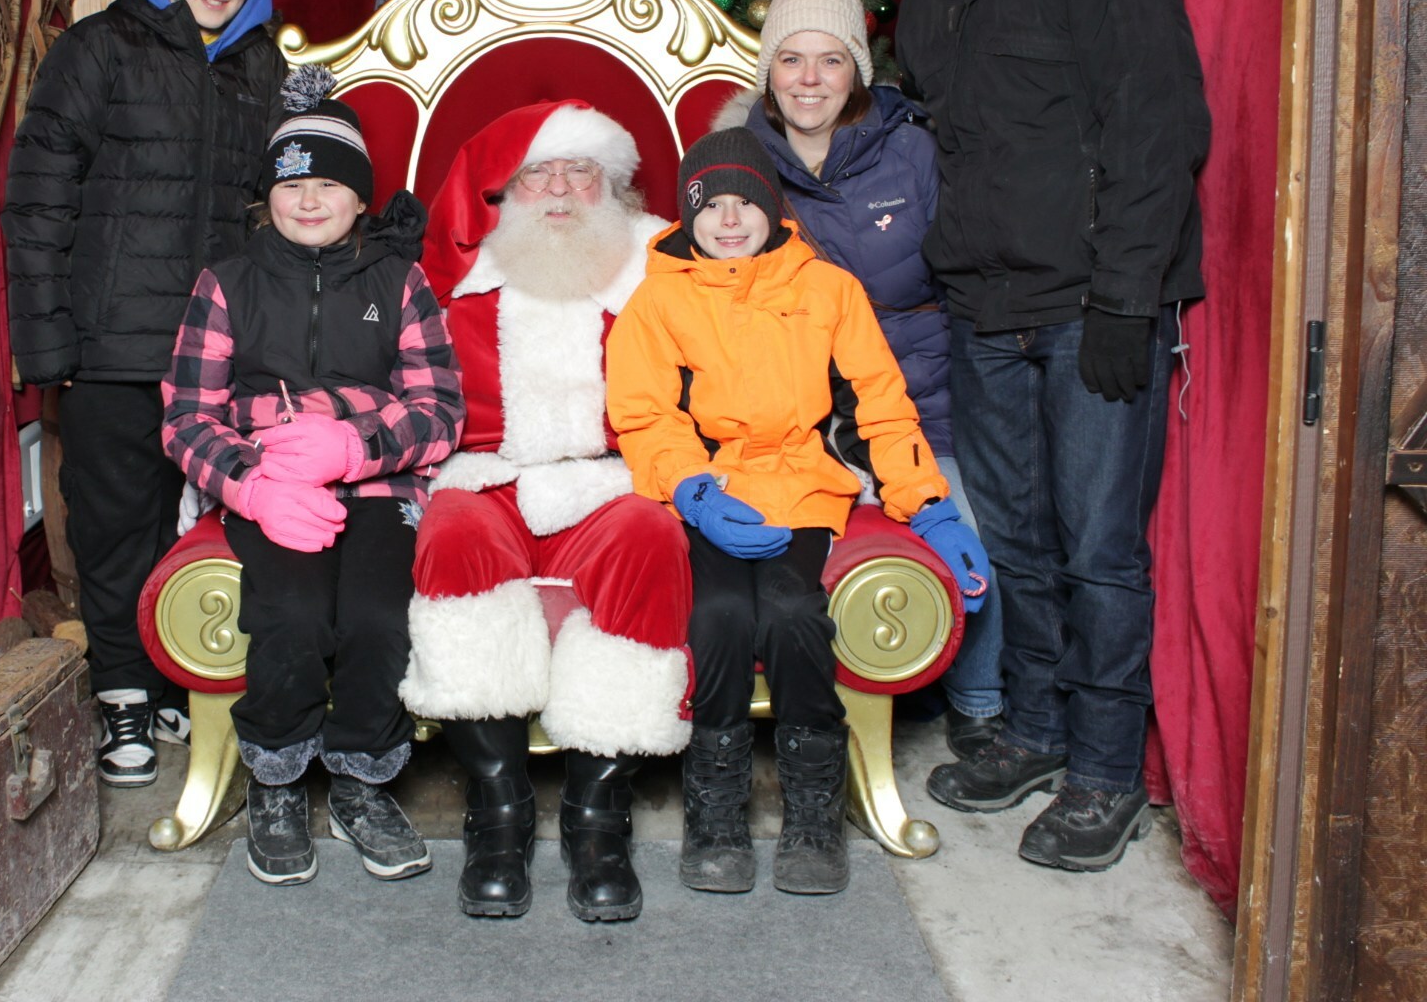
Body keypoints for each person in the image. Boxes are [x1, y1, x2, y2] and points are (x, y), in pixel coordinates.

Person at [894, 0, 1210, 872]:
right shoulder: (927, 0)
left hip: (1089, 311)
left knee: (1099, 551)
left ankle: (1106, 772)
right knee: (1018, 542)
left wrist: (1128, 295)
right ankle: (1034, 730)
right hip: (985, 312)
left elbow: (1157, 125)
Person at [607, 128, 990, 898]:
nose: (729, 219)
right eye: (710, 205)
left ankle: (813, 808)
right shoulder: (658, 298)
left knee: (791, 614)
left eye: (745, 202)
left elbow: (879, 405)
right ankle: (716, 809)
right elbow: (646, 415)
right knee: (717, 615)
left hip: (802, 488)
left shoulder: (829, 290)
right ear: (688, 216)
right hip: (712, 494)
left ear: (772, 209)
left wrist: (931, 509)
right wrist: (691, 489)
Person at [1, 0, 287, 789]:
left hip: (218, 360)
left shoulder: (263, 69)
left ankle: (170, 678)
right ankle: (121, 691)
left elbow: (286, 207)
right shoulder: (98, 49)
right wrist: (49, 350)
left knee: (191, 527)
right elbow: (37, 203)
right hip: (113, 349)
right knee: (115, 528)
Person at [161, 67, 465, 885]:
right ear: (269, 194)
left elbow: (441, 411)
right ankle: (278, 777)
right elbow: (187, 417)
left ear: (360, 198)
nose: (308, 200)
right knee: (292, 614)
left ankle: (361, 779)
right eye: (292, 183)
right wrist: (252, 484)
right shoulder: (227, 283)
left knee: (376, 615)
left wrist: (356, 448)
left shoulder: (398, 282)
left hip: (376, 483)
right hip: (272, 485)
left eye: (329, 184)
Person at [398, 101, 693, 923]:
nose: (559, 189)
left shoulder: (658, 265)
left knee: (652, 539)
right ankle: (500, 810)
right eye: (539, 173)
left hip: (613, 483)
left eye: (580, 171)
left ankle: (598, 816)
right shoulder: (460, 272)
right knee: (450, 536)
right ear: (506, 189)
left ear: (612, 187)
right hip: (487, 477)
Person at [724, 0, 1002, 758]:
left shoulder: (913, 152)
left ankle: (980, 708)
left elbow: (968, 280)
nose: (809, 80)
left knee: (970, 532)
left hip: (916, 401)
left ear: (857, 72)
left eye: (831, 60)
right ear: (769, 71)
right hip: (799, 418)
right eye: (791, 59)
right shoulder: (739, 162)